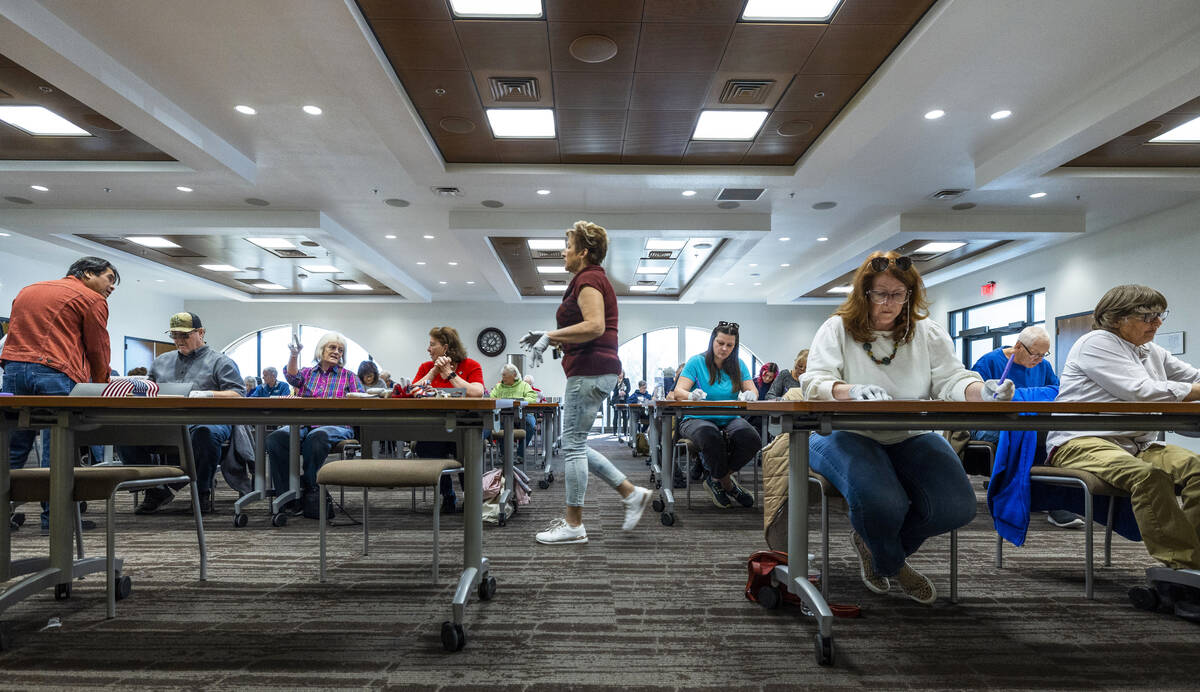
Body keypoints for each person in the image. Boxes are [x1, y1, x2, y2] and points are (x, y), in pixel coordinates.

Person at [801, 251, 1013, 605]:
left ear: (909, 295)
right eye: (879, 294)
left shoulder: (925, 331)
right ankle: (893, 562)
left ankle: (877, 547)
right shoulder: (836, 328)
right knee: (884, 502)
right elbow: (814, 382)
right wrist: (848, 391)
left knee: (956, 506)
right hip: (842, 433)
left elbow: (952, 381)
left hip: (910, 433)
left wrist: (984, 391)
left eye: (898, 294)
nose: (888, 303)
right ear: (863, 294)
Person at [1047, 285, 1200, 570]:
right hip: (1081, 442)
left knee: (1197, 471)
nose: (1157, 323)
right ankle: (1184, 567)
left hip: (1136, 444)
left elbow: (1193, 377)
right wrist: (1193, 390)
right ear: (1116, 318)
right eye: (1147, 316)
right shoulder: (1096, 342)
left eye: (1160, 315)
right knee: (1148, 476)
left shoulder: (1150, 350)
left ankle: (1194, 559)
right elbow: (1141, 390)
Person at [522, 220, 653, 545]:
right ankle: (631, 493)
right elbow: (588, 327)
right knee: (574, 444)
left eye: (568, 246)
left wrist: (550, 335)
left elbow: (595, 326)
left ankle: (574, 524)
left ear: (583, 251)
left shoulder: (590, 278)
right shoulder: (587, 279)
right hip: (592, 368)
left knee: (573, 446)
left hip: (590, 370)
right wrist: (549, 338)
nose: (564, 252)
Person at [2, 257, 119, 532]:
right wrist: (102, 386)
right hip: (55, 372)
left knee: (12, 447)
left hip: (13, 371)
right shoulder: (91, 299)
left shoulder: (28, 290)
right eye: (109, 278)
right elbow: (97, 347)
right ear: (88, 273)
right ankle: (55, 520)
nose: (111, 287)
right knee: (57, 447)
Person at [118, 312, 245, 515]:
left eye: (184, 335)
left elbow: (238, 394)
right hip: (166, 422)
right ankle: (155, 488)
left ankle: (202, 491)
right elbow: (149, 390)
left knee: (205, 432)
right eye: (174, 336)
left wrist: (207, 395)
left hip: (208, 421)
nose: (178, 341)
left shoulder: (220, 362)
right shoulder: (161, 362)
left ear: (201, 332)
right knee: (123, 431)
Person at [969, 326, 1081, 529]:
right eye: (1035, 354)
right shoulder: (989, 362)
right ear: (1018, 346)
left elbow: (1057, 392)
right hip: (990, 424)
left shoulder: (1043, 366)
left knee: (1055, 436)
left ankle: (1050, 498)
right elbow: (974, 400)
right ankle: (1036, 498)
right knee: (1032, 434)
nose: (1039, 360)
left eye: (1044, 354)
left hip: (1030, 422)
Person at [266, 332, 361, 519]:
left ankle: (310, 486)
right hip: (303, 423)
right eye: (332, 348)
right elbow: (291, 376)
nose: (336, 352)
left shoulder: (349, 376)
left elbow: (360, 401)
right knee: (276, 438)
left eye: (340, 350)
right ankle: (287, 497)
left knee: (317, 437)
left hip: (336, 425)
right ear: (321, 350)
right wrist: (294, 354)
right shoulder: (307, 373)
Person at [668, 321, 761, 509]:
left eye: (730, 345)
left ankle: (716, 479)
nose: (724, 348)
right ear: (712, 341)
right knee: (710, 435)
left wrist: (752, 394)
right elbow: (679, 392)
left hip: (728, 417)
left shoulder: (739, 365)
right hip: (695, 418)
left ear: (735, 346)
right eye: (720, 343)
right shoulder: (696, 362)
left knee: (751, 438)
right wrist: (691, 396)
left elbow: (753, 390)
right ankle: (728, 484)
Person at [411, 326, 486, 513]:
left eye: (432, 345)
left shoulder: (471, 365)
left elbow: (477, 393)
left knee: (467, 450)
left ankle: (470, 497)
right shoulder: (426, 367)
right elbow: (412, 392)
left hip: (465, 427)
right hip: (434, 427)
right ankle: (448, 495)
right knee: (425, 447)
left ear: (445, 347)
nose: (428, 349)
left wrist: (450, 375)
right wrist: (433, 373)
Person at [489, 363, 539, 463]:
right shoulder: (499, 386)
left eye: (505, 375)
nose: (502, 378)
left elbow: (533, 398)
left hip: (523, 415)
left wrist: (518, 401)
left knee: (531, 425)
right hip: (503, 415)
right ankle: (505, 455)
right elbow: (491, 398)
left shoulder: (524, 385)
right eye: (502, 375)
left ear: (514, 375)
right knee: (499, 426)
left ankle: (520, 454)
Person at [610, 368, 631, 434]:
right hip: (616, 399)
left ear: (623, 374)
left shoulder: (626, 380)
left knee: (625, 416)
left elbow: (629, 388)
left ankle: (625, 431)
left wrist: (624, 392)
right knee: (616, 416)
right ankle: (614, 431)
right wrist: (618, 391)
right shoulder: (614, 381)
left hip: (624, 400)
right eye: (619, 373)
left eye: (621, 373)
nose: (620, 375)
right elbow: (613, 390)